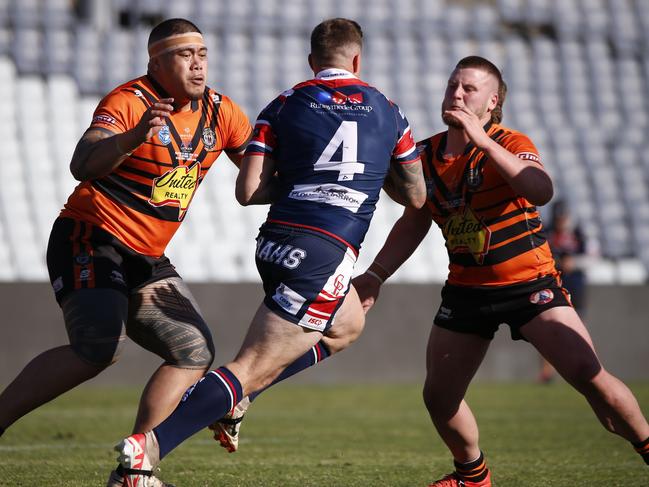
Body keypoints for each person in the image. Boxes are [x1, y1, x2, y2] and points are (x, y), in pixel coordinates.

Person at [112, 18, 426, 487]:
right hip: (325, 250)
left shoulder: (281, 105)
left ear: (311, 61)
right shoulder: (389, 112)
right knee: (250, 366)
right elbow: (416, 196)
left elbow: (248, 189)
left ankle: (239, 398)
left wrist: (304, 182)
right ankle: (147, 449)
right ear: (357, 60)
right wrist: (361, 177)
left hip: (276, 243)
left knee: (346, 325)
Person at [353, 56, 649, 486]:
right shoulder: (424, 155)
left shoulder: (510, 141)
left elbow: (541, 189)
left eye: (468, 88)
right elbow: (415, 221)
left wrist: (484, 142)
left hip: (529, 284)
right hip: (467, 290)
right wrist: (374, 276)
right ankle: (473, 476)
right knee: (439, 397)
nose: (456, 93)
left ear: (492, 101)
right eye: (453, 84)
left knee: (590, 378)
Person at [0, 18, 252, 487]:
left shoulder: (223, 113)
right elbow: (83, 164)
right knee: (97, 348)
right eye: (184, 55)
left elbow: (257, 181)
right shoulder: (128, 101)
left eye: (202, 53)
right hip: (90, 237)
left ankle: (136, 467)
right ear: (155, 62)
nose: (197, 64)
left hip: (145, 256)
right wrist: (133, 138)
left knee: (193, 350)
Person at [538, 199, 589, 383]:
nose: (560, 221)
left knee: (578, 328)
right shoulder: (548, 232)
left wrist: (573, 263)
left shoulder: (577, 233)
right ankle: (546, 372)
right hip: (554, 284)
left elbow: (590, 257)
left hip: (575, 284)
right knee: (549, 328)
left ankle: (585, 368)